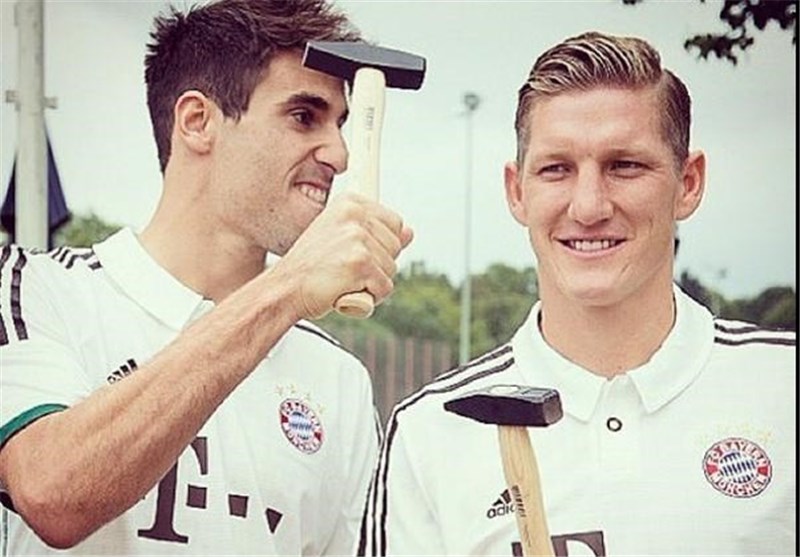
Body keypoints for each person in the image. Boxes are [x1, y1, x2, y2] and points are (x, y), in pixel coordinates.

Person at [358, 31, 795, 556]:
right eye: (556, 169)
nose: (588, 207)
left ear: (689, 183)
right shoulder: (431, 432)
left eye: (624, 165)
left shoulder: (784, 388)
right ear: (517, 191)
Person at [0, 0, 413, 554]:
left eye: (339, 123)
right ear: (198, 121)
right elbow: (53, 492)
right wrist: (287, 288)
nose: (339, 155)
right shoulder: (37, 288)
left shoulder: (340, 378)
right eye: (303, 116)